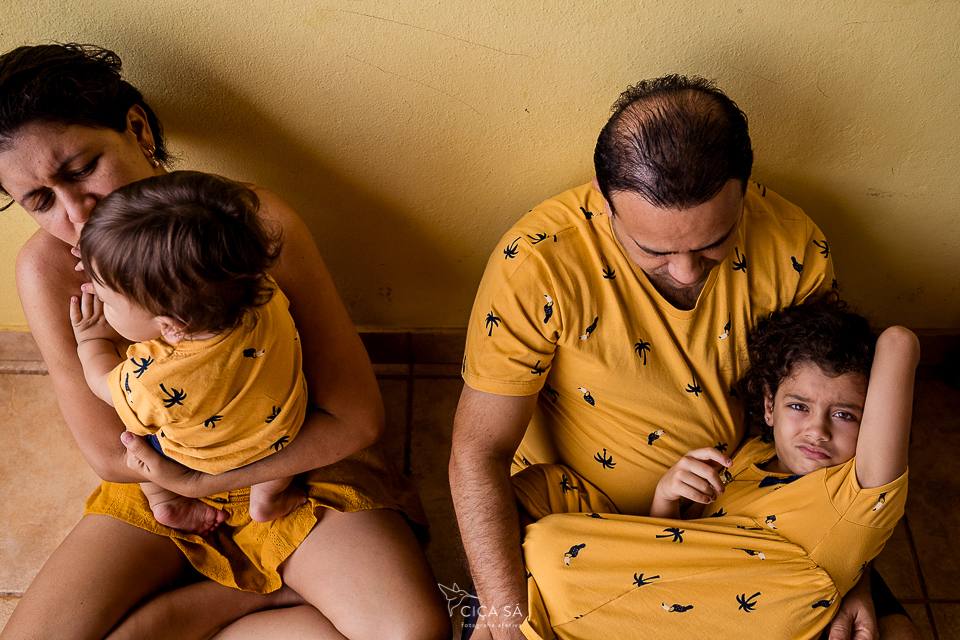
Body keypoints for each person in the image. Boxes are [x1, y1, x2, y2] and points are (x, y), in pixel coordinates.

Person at [0, 43, 449, 639]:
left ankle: (203, 610)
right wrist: (182, 485)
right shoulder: (47, 269)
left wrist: (205, 484)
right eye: (39, 201)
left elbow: (355, 419)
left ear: (138, 130)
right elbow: (110, 454)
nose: (76, 213)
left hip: (298, 463)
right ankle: (258, 598)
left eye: (82, 170)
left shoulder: (252, 224)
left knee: (411, 633)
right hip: (159, 478)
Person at [449, 75, 918, 639]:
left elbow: (828, 402)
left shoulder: (794, 245)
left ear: (744, 191)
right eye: (654, 250)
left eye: (712, 243)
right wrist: (504, 619)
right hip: (581, 531)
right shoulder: (538, 265)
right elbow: (478, 453)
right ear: (604, 198)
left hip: (745, 525)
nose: (686, 270)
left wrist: (851, 573)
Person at [512, 297, 918, 640]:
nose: (817, 430)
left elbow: (900, 342)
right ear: (769, 407)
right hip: (669, 598)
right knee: (540, 487)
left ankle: (516, 608)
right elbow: (674, 558)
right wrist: (666, 498)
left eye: (845, 415)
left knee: (548, 547)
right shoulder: (750, 457)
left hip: (721, 612)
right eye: (799, 406)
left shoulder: (857, 493)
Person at [72, 171, 311, 533]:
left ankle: (166, 501)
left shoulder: (152, 376)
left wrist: (92, 341)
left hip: (203, 462)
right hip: (283, 436)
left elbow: (102, 384)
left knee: (140, 448)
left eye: (106, 299)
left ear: (170, 326)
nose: (101, 302)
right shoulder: (262, 292)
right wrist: (108, 258)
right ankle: (268, 496)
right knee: (278, 445)